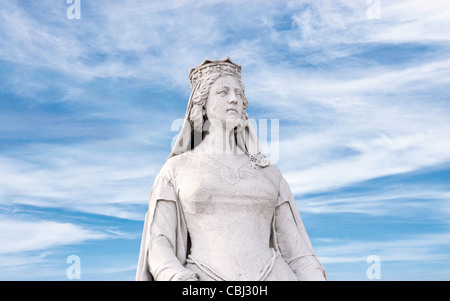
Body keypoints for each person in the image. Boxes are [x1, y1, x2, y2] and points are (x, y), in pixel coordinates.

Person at [136, 57, 327, 281]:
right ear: (202, 104)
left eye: (239, 93)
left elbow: (296, 250)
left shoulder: (269, 172)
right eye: (223, 92)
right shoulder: (176, 169)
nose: (234, 99)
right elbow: (158, 243)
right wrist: (174, 275)